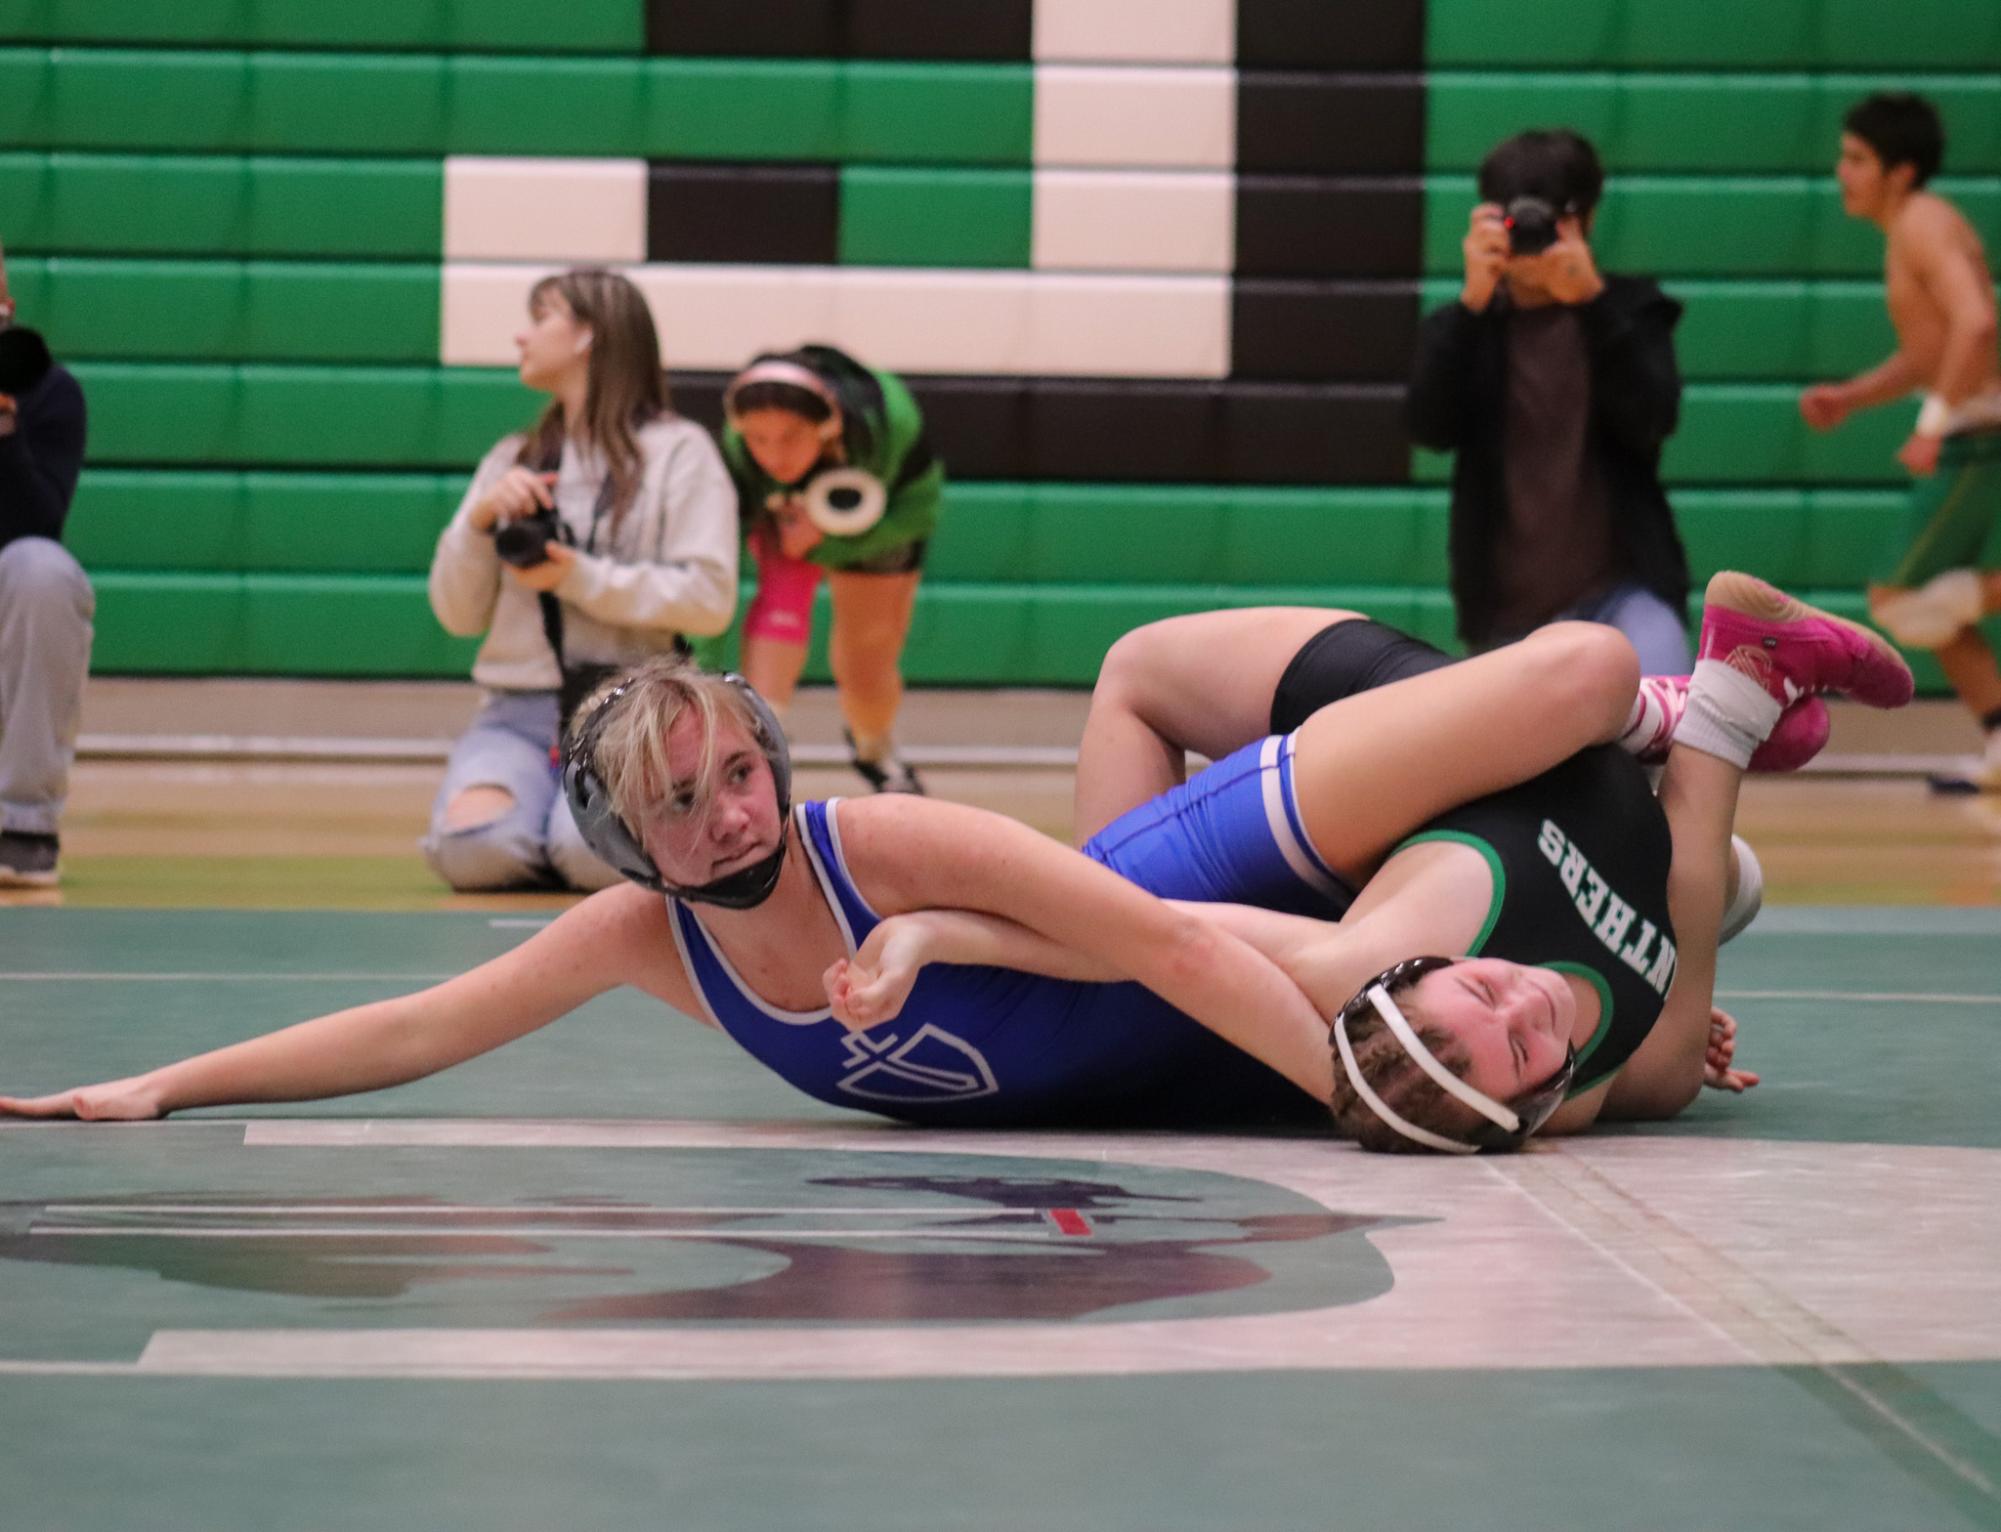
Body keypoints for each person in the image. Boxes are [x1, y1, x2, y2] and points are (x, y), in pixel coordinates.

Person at [0, 575, 1910, 1151]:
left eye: (744, 771)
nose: (738, 819)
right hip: (1155, 944)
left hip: (1179, 900)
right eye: (693, 813)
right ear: (638, 851)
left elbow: (1157, 939)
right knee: (1626, 1056)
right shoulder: (636, 941)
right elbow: (422, 1027)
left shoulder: (867, 839)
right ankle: (1694, 780)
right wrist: (171, 1079)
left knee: (1547, 736)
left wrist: (1363, 1096)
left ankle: (1662, 715)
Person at [424, 267, 738, 891]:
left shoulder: (680, 452)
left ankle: (571, 823)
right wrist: (480, 525)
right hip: (517, 714)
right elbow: (457, 616)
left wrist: (576, 576)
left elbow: (709, 601)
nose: (522, 336)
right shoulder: (513, 458)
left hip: (633, 715)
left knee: (595, 858)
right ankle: (549, 816)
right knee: (477, 851)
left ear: (588, 335)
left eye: (541, 318)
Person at [1408, 129, 1694, 675]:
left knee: (1670, 722)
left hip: (1625, 595)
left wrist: (1594, 304)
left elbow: (1655, 416)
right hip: (1507, 618)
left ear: (1583, 221)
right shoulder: (1465, 328)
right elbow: (1428, 427)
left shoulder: (1632, 311)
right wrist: (1472, 306)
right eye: (1518, 222)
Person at [1800, 92, 2001, 794]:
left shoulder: (1921, 224)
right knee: (1928, 603)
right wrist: (1850, 398)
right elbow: (1929, 352)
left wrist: (1927, 427)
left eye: (1856, 159)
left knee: (1901, 600)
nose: (1841, 173)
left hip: (1981, 437)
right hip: (1973, 430)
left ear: (1900, 171)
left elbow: (1977, 324)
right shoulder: (1912, 229)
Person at [720, 345, 944, 794]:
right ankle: (758, 751)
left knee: (867, 662)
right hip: (788, 522)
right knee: (777, 616)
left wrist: (831, 537)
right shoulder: (736, 451)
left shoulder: (888, 422)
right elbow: (713, 578)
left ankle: (873, 748)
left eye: (789, 438)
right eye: (758, 440)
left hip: (883, 525)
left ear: (827, 427)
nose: (774, 457)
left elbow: (919, 514)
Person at [0, 237, 91, 889]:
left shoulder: (49, 394)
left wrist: (4, 427)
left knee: (43, 570)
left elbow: (36, 521)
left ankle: (21, 822)